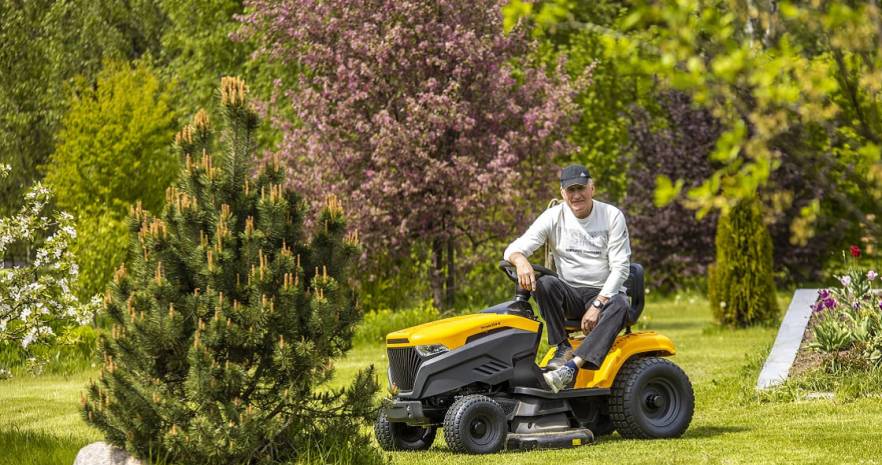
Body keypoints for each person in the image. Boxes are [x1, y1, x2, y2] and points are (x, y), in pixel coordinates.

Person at [503, 164, 633, 393]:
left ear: (592, 188)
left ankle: (571, 367)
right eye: (570, 190)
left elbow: (621, 267)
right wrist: (520, 260)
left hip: (604, 294)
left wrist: (598, 304)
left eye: (581, 188)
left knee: (621, 303)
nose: (576, 195)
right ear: (562, 193)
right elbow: (514, 248)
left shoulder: (611, 216)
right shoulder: (554, 216)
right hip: (571, 293)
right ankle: (561, 347)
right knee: (545, 283)